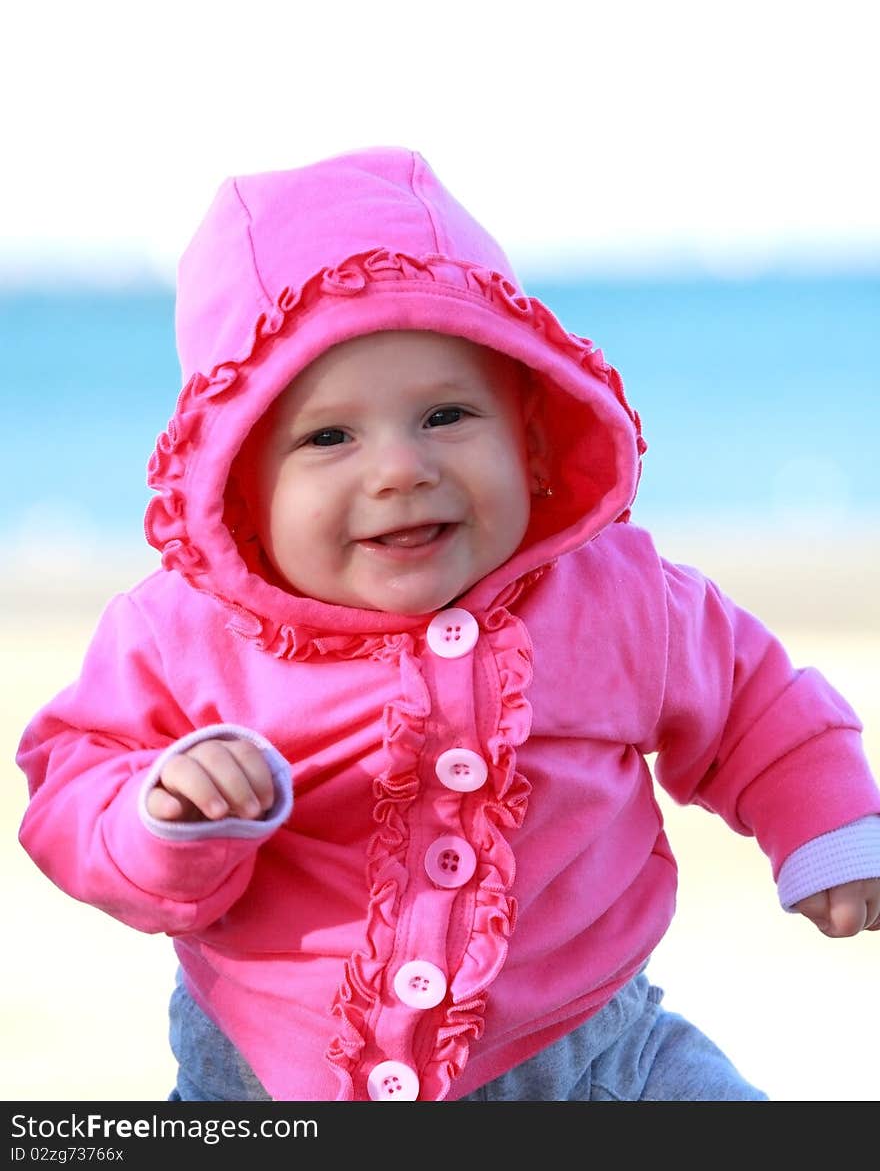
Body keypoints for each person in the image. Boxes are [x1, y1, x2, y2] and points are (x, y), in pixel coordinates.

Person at [16, 147, 880, 1104]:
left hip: (596, 1058)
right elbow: (71, 783)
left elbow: (758, 706)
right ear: (241, 485)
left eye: (446, 414)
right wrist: (163, 813)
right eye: (328, 436)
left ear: (530, 430)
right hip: (275, 1079)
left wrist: (829, 825)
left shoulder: (614, 597)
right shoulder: (184, 632)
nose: (399, 468)